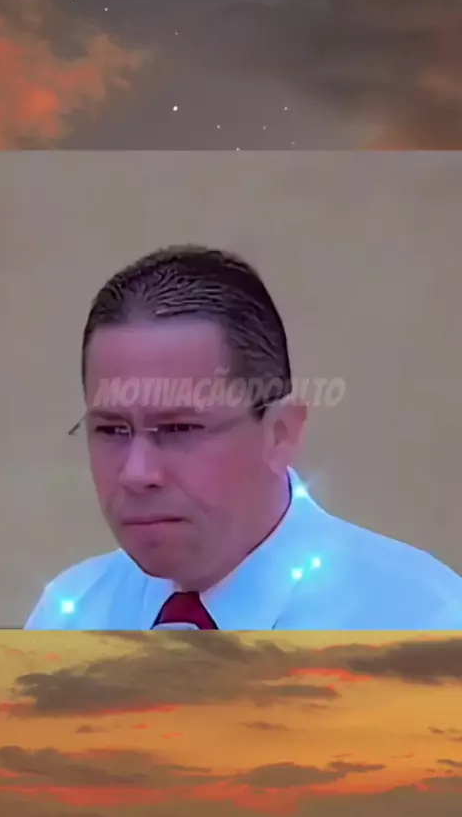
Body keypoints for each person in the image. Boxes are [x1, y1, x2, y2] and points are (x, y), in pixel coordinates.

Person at [25, 244, 462, 630]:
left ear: (280, 432)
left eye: (179, 429)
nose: (136, 473)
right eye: (111, 430)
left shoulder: (420, 621)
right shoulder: (71, 617)